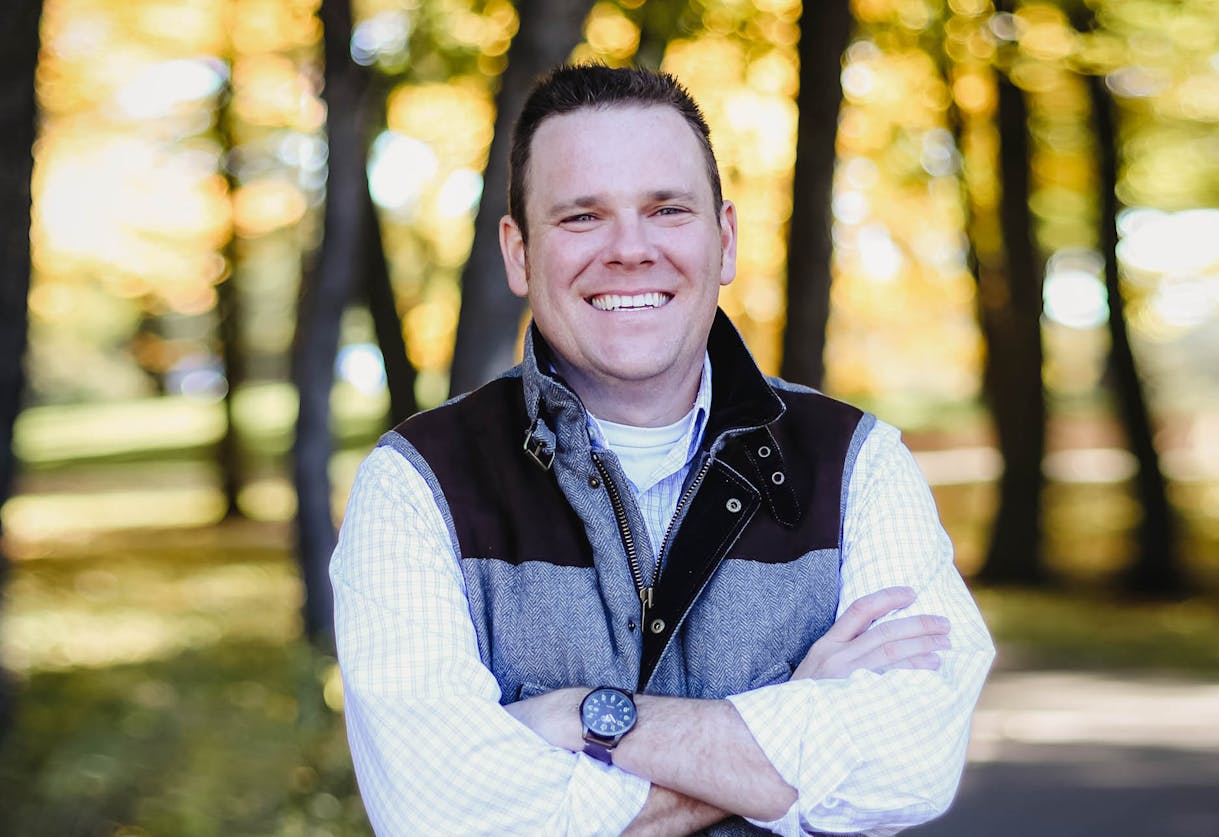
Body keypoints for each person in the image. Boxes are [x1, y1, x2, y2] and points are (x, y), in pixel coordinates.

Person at [330, 64, 994, 836]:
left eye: (667, 209)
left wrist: (585, 718)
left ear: (725, 240)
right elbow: (445, 815)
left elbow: (908, 764)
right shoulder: (419, 485)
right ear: (518, 253)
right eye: (582, 217)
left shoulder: (856, 463)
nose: (630, 249)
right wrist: (787, 719)